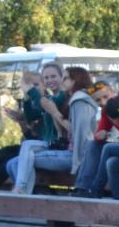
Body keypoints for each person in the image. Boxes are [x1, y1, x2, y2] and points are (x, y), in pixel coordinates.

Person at [9, 62, 75, 194]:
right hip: (49, 143)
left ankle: (22, 189)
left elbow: (47, 104)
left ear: (61, 77)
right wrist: (27, 97)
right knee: (12, 163)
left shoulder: (64, 96)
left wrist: (31, 90)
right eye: (46, 77)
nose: (50, 80)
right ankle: (26, 194)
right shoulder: (50, 97)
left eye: (53, 76)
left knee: (25, 149)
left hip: (62, 148)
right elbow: (31, 116)